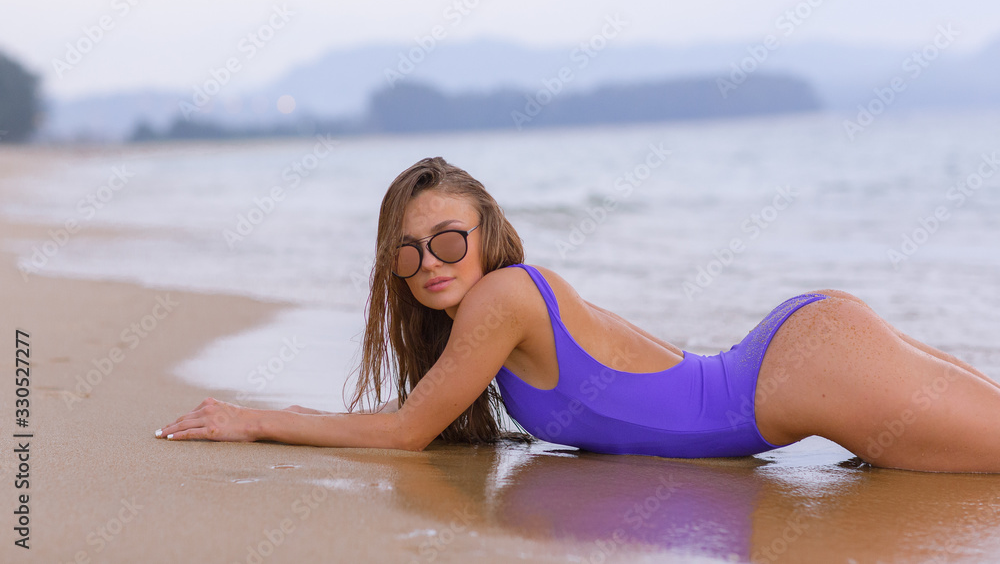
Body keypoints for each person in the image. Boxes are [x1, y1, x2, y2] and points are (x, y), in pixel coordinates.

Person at [156, 157, 1000, 473]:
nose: (428, 263)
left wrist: (254, 418)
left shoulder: (506, 295)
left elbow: (407, 430)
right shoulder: (499, 312)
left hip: (803, 373)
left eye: (448, 238)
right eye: (407, 250)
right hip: (805, 359)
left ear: (487, 235)